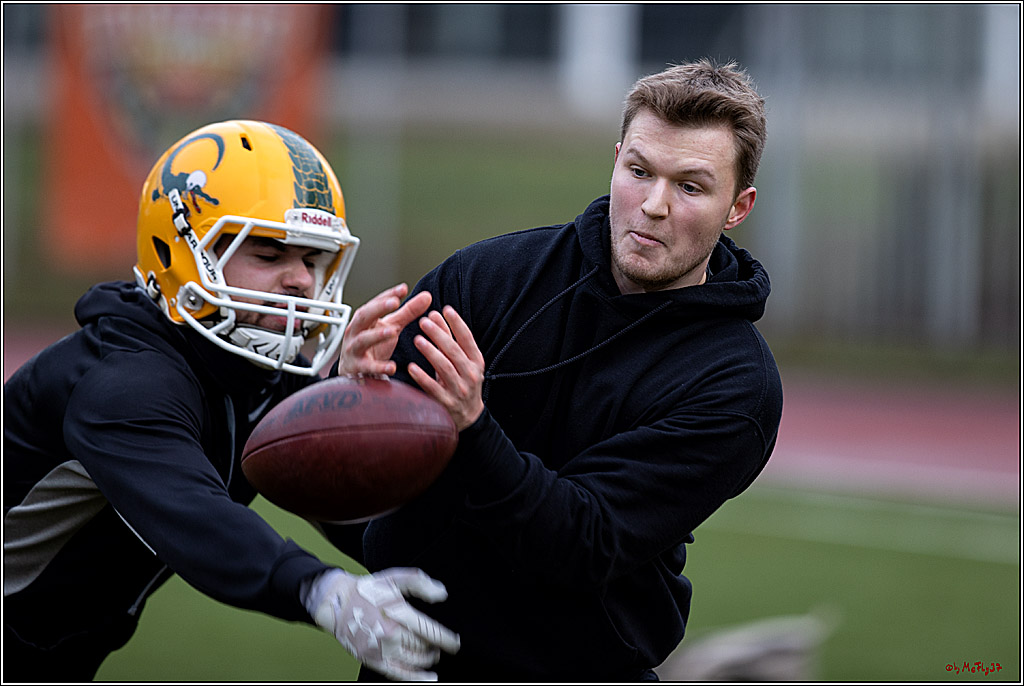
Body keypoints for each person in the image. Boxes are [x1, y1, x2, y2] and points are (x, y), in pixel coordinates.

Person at [330, 58, 784, 681]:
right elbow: (354, 481)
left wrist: (472, 427)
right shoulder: (486, 279)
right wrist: (351, 394)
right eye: (640, 172)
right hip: (408, 665)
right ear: (616, 160)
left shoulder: (735, 385)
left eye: (690, 187)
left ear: (738, 207)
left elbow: (581, 542)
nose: (653, 205)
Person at [3, 119, 459, 682]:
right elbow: (193, 516)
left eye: (312, 259)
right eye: (268, 254)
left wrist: (355, 403)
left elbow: (348, 505)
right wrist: (320, 588)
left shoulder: (247, 370)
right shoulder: (124, 384)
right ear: (180, 253)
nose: (301, 281)